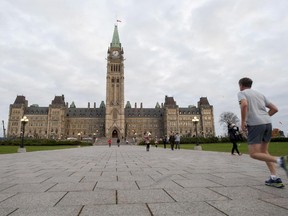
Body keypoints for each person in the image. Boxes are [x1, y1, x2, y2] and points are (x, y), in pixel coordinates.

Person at [238, 77, 287, 188]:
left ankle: (281, 160)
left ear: (241, 85)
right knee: (264, 152)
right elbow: (275, 108)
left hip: (255, 125)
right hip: (268, 123)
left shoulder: (241, 93)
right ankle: (275, 178)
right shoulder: (260, 94)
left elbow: (244, 105)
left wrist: (243, 122)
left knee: (254, 154)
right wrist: (264, 117)